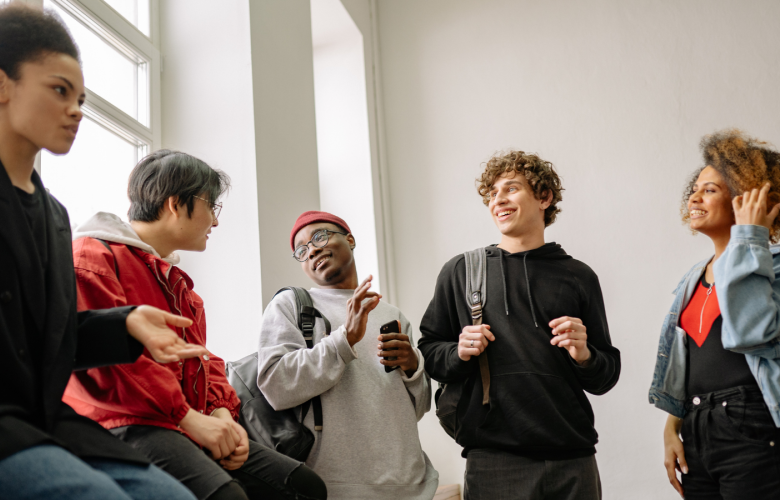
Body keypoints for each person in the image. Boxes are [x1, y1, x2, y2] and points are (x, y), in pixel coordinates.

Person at [0, 4, 207, 499]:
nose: (76, 110)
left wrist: (126, 322)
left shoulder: (53, 215)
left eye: (81, 98)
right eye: (59, 90)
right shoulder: (88, 247)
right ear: (4, 85)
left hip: (46, 422)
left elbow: (50, 340)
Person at [62, 150, 327, 500]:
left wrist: (222, 415)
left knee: (305, 487)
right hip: (123, 422)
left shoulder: (180, 287)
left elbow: (201, 359)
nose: (215, 222)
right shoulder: (93, 258)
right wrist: (188, 417)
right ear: (175, 204)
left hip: (179, 422)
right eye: (211, 206)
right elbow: (114, 365)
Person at [418, 150, 621, 500]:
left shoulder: (579, 276)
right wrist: (458, 351)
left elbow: (606, 374)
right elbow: (430, 353)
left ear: (544, 197)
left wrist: (585, 355)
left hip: (573, 460)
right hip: (494, 462)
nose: (498, 199)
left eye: (511, 188)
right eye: (492, 193)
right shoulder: (461, 271)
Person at [256, 211, 438, 500]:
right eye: (301, 250)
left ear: (350, 239)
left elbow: (416, 410)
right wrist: (345, 339)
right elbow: (276, 386)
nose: (312, 250)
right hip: (337, 488)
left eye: (319, 236)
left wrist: (412, 367)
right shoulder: (289, 305)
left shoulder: (391, 314)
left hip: (410, 486)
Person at [649, 129, 780, 500]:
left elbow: (750, 334)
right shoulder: (693, 277)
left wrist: (751, 235)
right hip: (697, 426)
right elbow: (690, 364)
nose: (694, 197)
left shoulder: (775, 268)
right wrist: (672, 427)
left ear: (746, 198)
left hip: (753, 425)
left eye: (710, 190)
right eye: (695, 189)